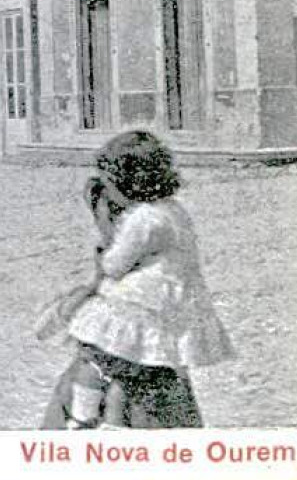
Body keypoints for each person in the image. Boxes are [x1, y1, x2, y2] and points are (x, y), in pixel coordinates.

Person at [41, 130, 233, 428]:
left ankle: (82, 415)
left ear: (126, 183)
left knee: (97, 357)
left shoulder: (143, 218)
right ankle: (117, 422)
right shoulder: (173, 210)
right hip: (175, 304)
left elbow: (116, 265)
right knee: (138, 366)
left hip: (142, 305)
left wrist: (103, 254)